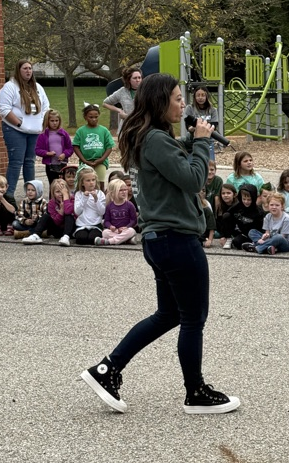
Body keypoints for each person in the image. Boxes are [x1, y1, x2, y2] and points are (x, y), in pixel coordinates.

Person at [81, 73, 239, 414]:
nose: (184, 104)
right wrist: (202, 143)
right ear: (159, 101)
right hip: (176, 240)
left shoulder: (151, 137)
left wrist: (192, 139)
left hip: (160, 240)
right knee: (193, 318)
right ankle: (195, 392)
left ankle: (107, 369)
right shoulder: (155, 139)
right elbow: (192, 178)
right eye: (178, 98)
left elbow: (175, 158)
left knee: (169, 314)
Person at [0, 60, 50, 197]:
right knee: (16, 162)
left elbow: (46, 107)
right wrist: (19, 124)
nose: (28, 71)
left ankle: (31, 195)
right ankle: (9, 196)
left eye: (30, 68)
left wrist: (41, 124)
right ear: (18, 70)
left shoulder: (37, 87)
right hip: (15, 130)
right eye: (25, 68)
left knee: (30, 162)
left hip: (34, 131)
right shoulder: (10, 87)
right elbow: (4, 109)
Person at [73, 104, 114, 190]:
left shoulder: (104, 130)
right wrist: (84, 160)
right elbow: (76, 146)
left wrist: (101, 159)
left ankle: (100, 197)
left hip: (100, 162)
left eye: (96, 117)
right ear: (85, 117)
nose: (94, 119)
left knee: (100, 183)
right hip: (85, 162)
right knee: (86, 183)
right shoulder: (80, 131)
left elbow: (109, 147)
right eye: (91, 117)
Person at [22, 178, 75, 245]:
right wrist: (61, 212)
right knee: (46, 216)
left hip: (71, 230)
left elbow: (69, 212)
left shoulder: (72, 199)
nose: (61, 194)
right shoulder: (51, 203)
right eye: (57, 192)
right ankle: (36, 235)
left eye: (63, 191)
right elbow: (57, 222)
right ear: (53, 193)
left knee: (69, 215)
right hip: (57, 230)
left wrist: (66, 201)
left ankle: (66, 237)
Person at [95, 178, 139, 246]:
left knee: (131, 231)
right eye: (120, 190)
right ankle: (126, 240)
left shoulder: (130, 205)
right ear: (113, 193)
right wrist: (110, 226)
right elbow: (106, 221)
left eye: (125, 190)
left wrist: (126, 227)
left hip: (126, 230)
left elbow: (134, 221)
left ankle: (109, 241)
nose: (124, 192)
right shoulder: (109, 206)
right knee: (105, 232)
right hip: (115, 231)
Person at [35, 109, 73, 184]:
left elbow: (70, 148)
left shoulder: (64, 134)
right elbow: (37, 150)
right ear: (47, 121)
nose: (54, 123)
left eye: (56, 120)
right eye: (52, 121)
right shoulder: (43, 135)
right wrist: (47, 153)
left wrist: (64, 154)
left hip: (62, 164)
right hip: (50, 165)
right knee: (53, 184)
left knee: (63, 184)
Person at [183, 86, 220, 161]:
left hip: (208, 140)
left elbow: (214, 125)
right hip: (192, 140)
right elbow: (188, 125)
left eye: (203, 95)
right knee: (191, 163)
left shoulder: (213, 110)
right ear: (194, 97)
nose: (200, 98)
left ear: (207, 96)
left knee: (210, 163)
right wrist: (192, 128)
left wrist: (199, 127)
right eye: (198, 95)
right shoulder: (189, 108)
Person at [103, 65, 142, 133]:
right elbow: (105, 103)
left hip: (141, 128)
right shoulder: (122, 91)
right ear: (128, 80)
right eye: (135, 78)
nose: (138, 80)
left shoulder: (146, 91)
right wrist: (119, 110)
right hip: (126, 129)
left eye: (139, 77)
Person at [73, 168, 106, 245]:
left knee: (92, 239)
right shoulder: (78, 194)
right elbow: (77, 212)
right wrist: (84, 198)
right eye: (88, 180)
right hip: (82, 224)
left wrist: (96, 199)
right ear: (82, 183)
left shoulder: (100, 193)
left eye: (93, 180)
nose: (91, 183)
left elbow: (102, 212)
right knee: (81, 239)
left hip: (96, 224)